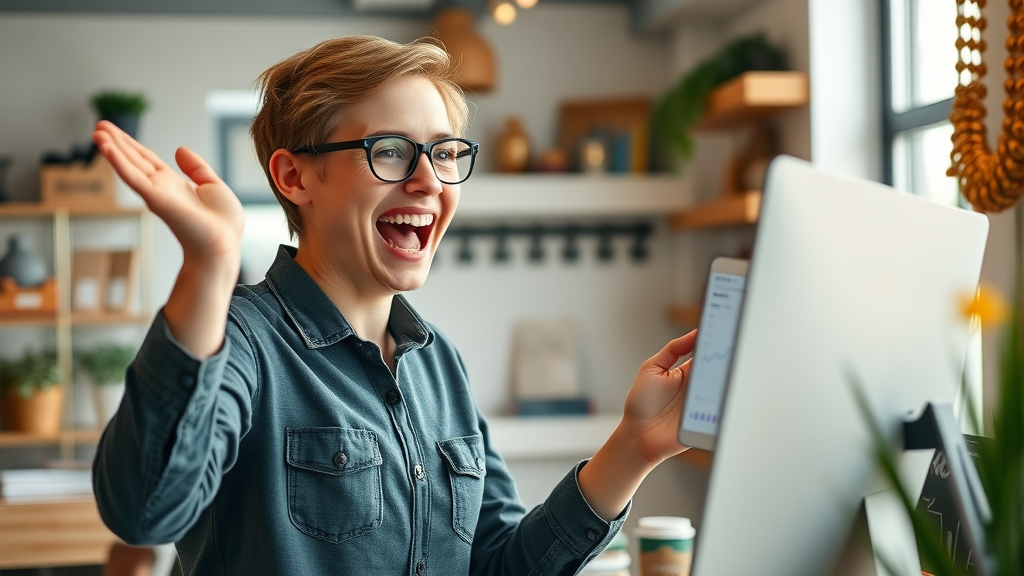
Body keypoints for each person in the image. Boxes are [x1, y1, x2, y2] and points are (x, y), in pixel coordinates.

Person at [91, 35, 696, 576]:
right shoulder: (239, 340)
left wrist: (634, 445)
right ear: (295, 177)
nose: (429, 180)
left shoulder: (439, 363)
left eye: (445, 153)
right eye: (389, 150)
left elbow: (498, 566)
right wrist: (208, 266)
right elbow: (144, 512)